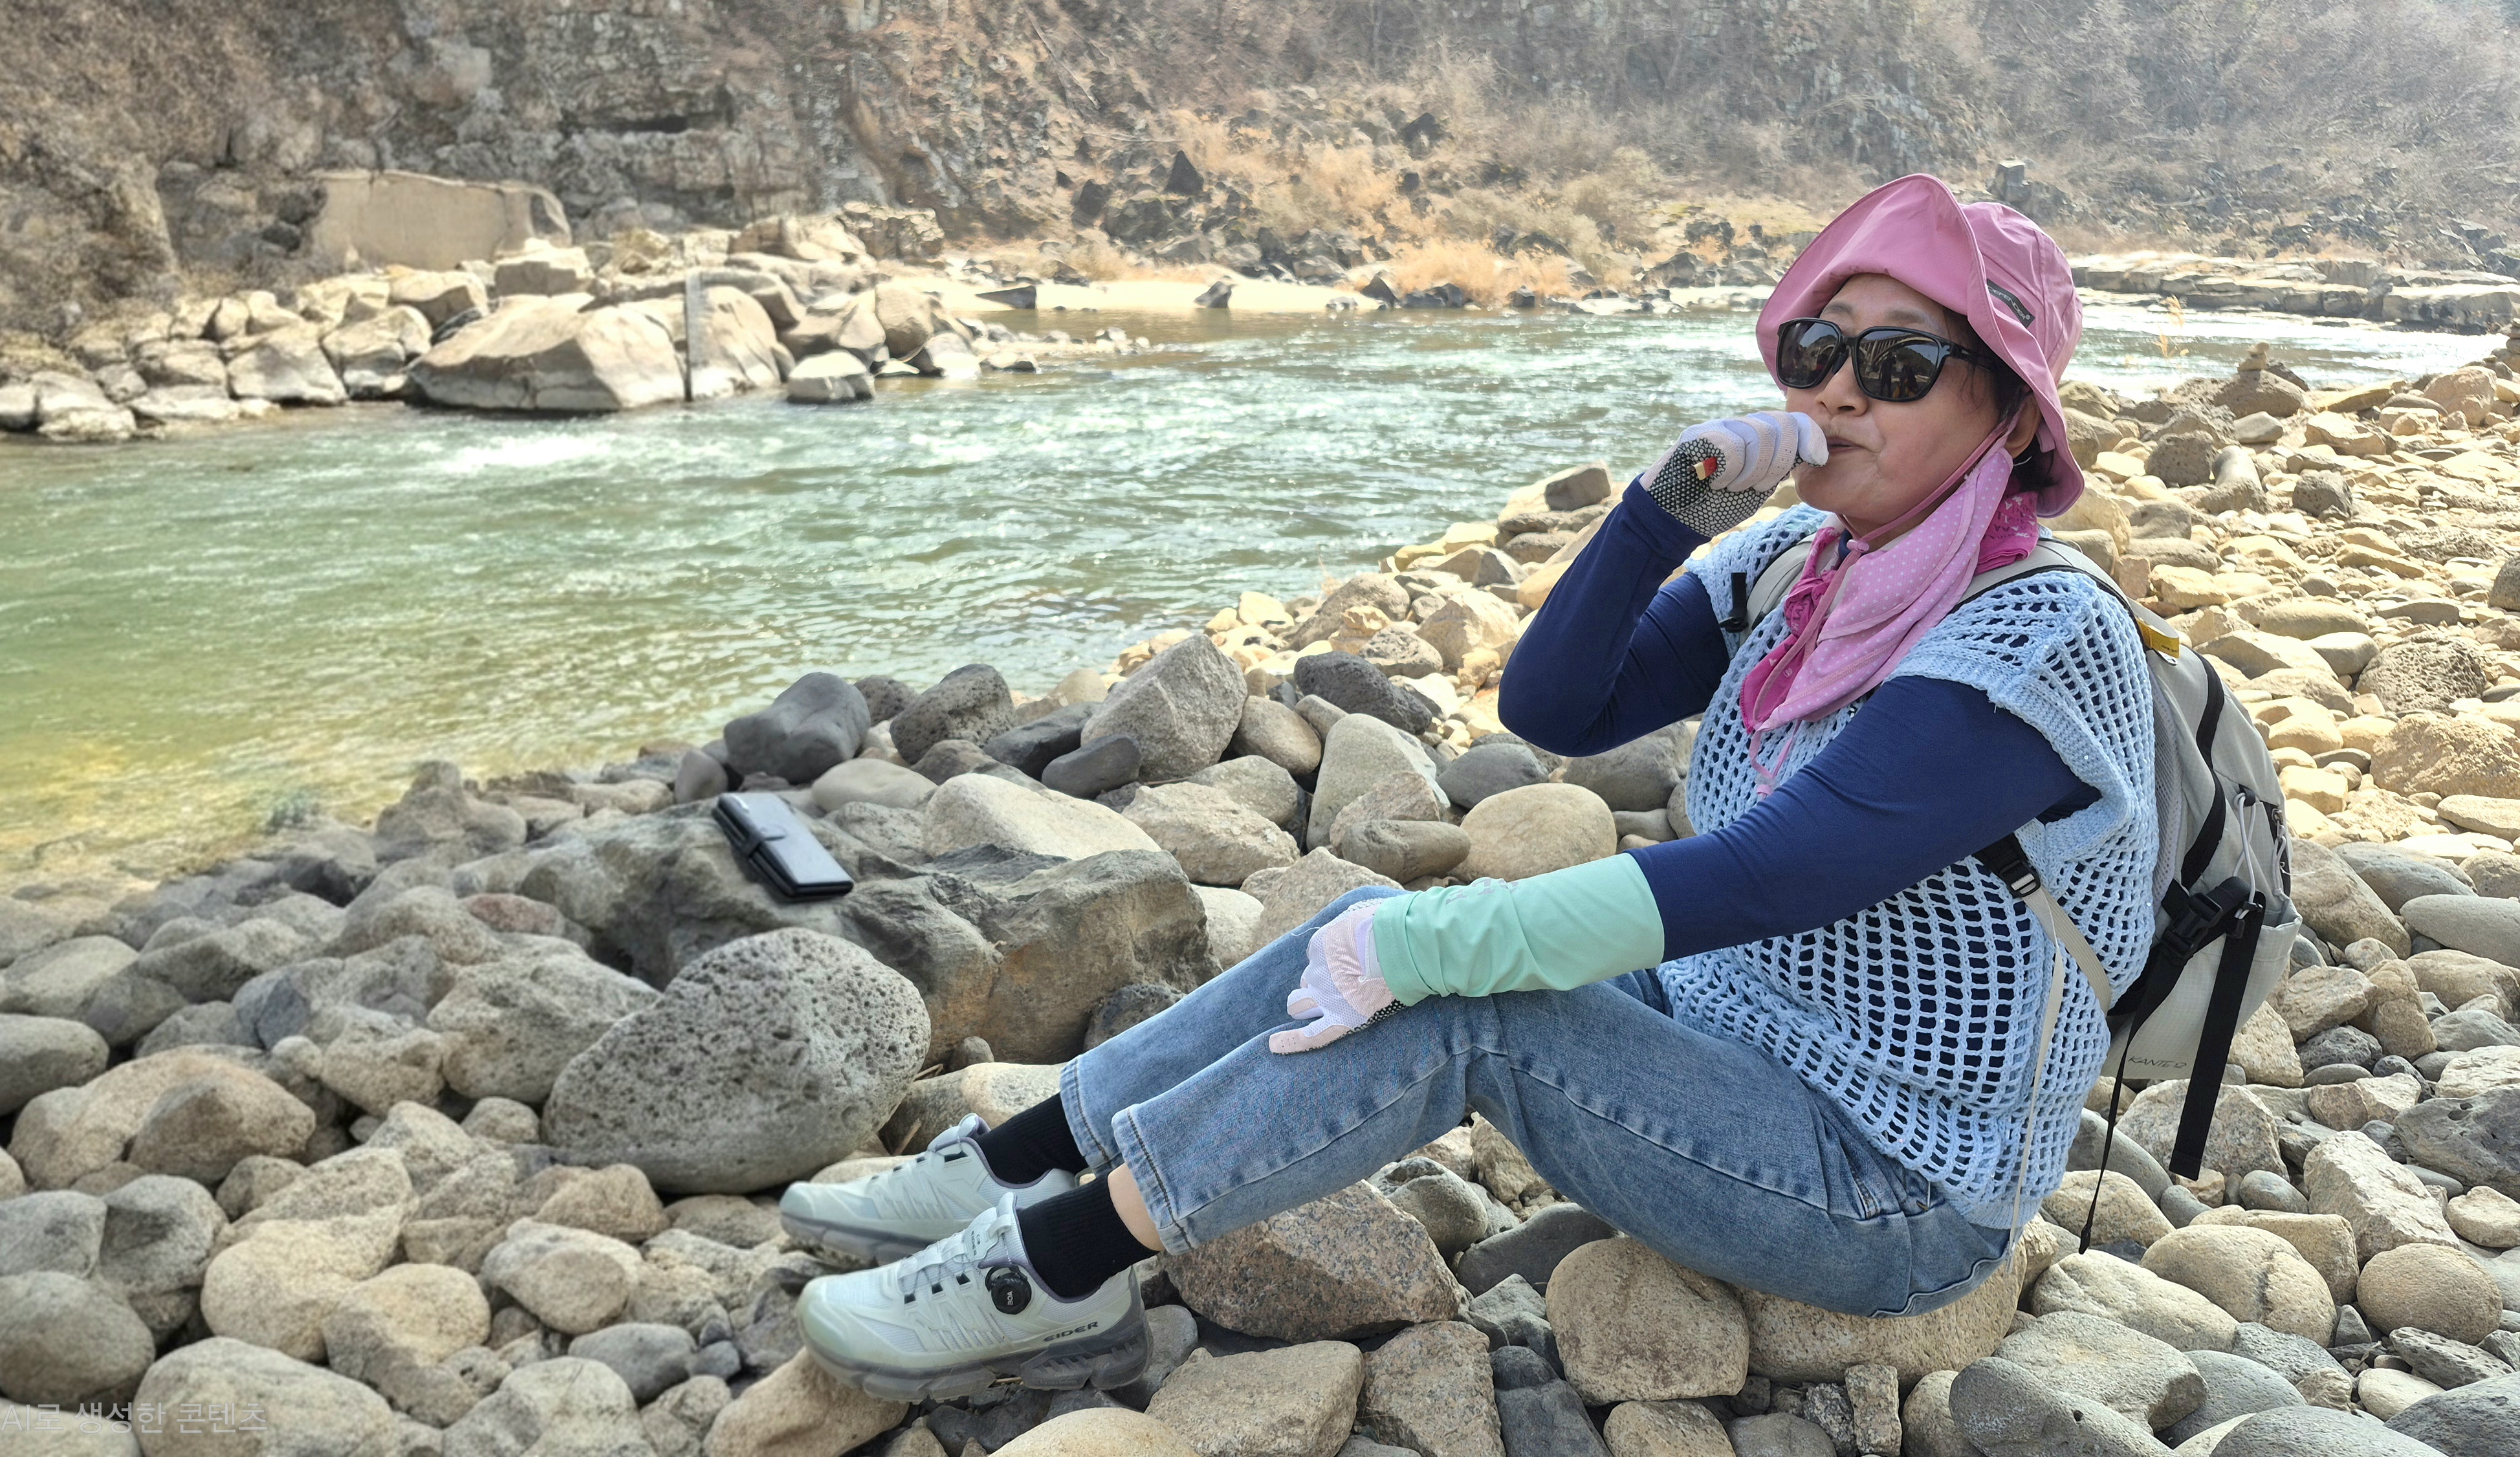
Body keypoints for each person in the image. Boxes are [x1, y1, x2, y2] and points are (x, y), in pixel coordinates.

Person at [778, 174, 2161, 1403]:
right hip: (1735, 1033)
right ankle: (1025, 1156)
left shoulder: (2036, 634)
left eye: (1900, 363)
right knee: (1365, 928)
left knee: (1462, 997)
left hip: (1896, 1185)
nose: (1838, 392)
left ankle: (1060, 1269)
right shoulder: (1804, 568)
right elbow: (1558, 705)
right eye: (1817, 348)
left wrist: (1443, 949)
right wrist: (1667, 503)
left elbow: (1774, 873)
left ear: (2007, 415)